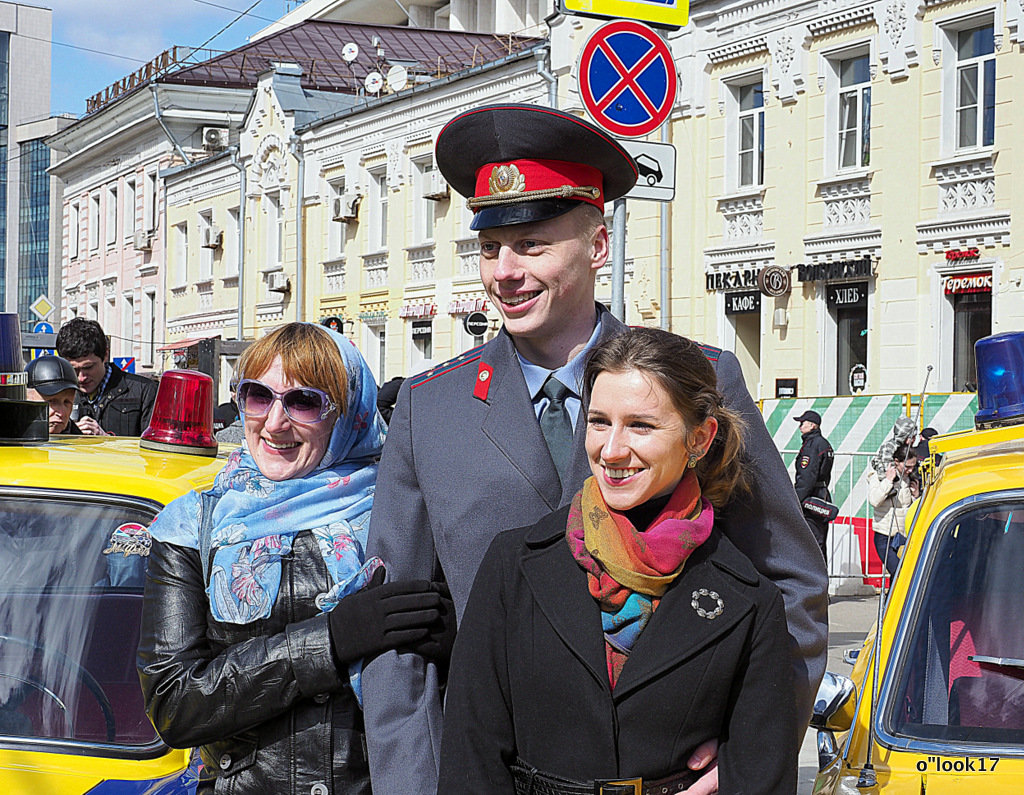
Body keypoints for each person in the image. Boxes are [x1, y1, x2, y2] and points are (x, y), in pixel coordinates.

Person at [363, 104, 827, 795]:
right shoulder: (432, 409)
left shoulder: (703, 380)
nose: (506, 272)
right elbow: (397, 637)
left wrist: (748, 757)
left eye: (533, 244)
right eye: (491, 248)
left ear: (598, 245)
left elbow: (791, 583)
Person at [437, 328, 797, 794]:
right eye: (599, 421)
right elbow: (471, 753)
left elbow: (763, 775)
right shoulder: (513, 566)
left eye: (641, 426)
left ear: (699, 438)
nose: (611, 450)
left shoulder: (748, 600)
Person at [137, 322, 454, 794]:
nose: (274, 422)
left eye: (304, 402)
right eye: (258, 396)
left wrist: (458, 640)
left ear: (352, 415)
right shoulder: (192, 525)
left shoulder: (410, 513)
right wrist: (327, 642)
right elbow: (174, 703)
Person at [55, 317, 157, 436]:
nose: (81, 378)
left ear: (105, 355)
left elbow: (153, 446)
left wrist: (106, 439)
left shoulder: (144, 391)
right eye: (74, 370)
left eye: (88, 367)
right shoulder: (58, 391)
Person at [867, 441, 919, 577]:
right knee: (897, 572)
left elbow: (907, 506)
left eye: (912, 467)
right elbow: (874, 500)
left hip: (902, 535)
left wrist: (916, 496)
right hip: (884, 535)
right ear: (896, 461)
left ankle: (889, 599)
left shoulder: (908, 479)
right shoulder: (878, 476)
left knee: (901, 575)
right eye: (907, 467)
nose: (910, 471)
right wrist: (888, 481)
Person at [793, 409, 834, 563]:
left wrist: (796, 500)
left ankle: (814, 582)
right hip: (821, 496)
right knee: (819, 542)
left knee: (811, 544)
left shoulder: (812, 446)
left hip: (812, 498)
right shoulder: (824, 444)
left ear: (812, 425)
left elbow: (806, 478)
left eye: (802, 423)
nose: (800, 427)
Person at [25, 354, 82, 434]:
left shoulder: (82, 444)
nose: (61, 413)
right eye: (51, 401)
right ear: (27, 398)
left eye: (66, 402)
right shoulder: (7, 437)